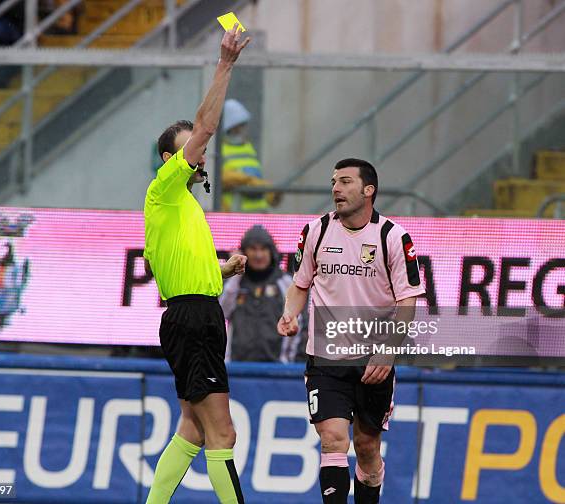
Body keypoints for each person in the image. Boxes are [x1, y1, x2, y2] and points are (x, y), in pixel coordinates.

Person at [142, 25, 250, 504]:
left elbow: (169, 282)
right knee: (222, 434)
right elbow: (206, 125)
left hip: (193, 313)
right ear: (170, 158)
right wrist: (225, 64)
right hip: (195, 318)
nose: (201, 152)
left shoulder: (181, 208)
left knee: (192, 427)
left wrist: (223, 270)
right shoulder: (165, 188)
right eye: (190, 148)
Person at [277, 159, 426, 504]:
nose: (336, 189)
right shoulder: (315, 231)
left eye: (345, 182)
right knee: (332, 440)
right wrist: (290, 313)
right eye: (333, 182)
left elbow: (408, 301)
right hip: (325, 358)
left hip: (373, 362)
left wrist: (388, 349)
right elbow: (300, 285)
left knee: (367, 447)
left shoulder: (392, 237)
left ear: (368, 190)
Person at [220, 225, 302, 362]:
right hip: (237, 368)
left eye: (263, 249)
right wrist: (237, 272)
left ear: (271, 252)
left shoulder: (286, 283)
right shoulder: (234, 284)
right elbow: (222, 311)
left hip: (278, 369)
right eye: (253, 249)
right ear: (244, 252)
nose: (258, 255)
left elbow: (301, 324)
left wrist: (293, 364)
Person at [220, 99, 281, 212]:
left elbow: (256, 177)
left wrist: (270, 193)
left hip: (259, 214)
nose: (241, 130)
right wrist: (255, 183)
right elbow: (222, 178)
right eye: (237, 126)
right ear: (228, 128)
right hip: (235, 217)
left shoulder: (248, 148)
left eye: (243, 125)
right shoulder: (219, 150)